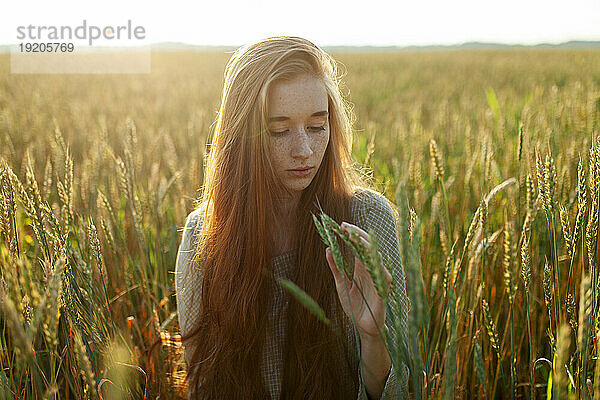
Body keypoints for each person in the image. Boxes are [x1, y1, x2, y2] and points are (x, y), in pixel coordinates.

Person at [174, 36, 409, 400]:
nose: (303, 150)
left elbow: (397, 393)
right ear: (242, 138)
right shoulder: (202, 236)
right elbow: (202, 387)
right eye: (279, 130)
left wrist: (371, 334)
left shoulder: (367, 219)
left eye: (317, 127)